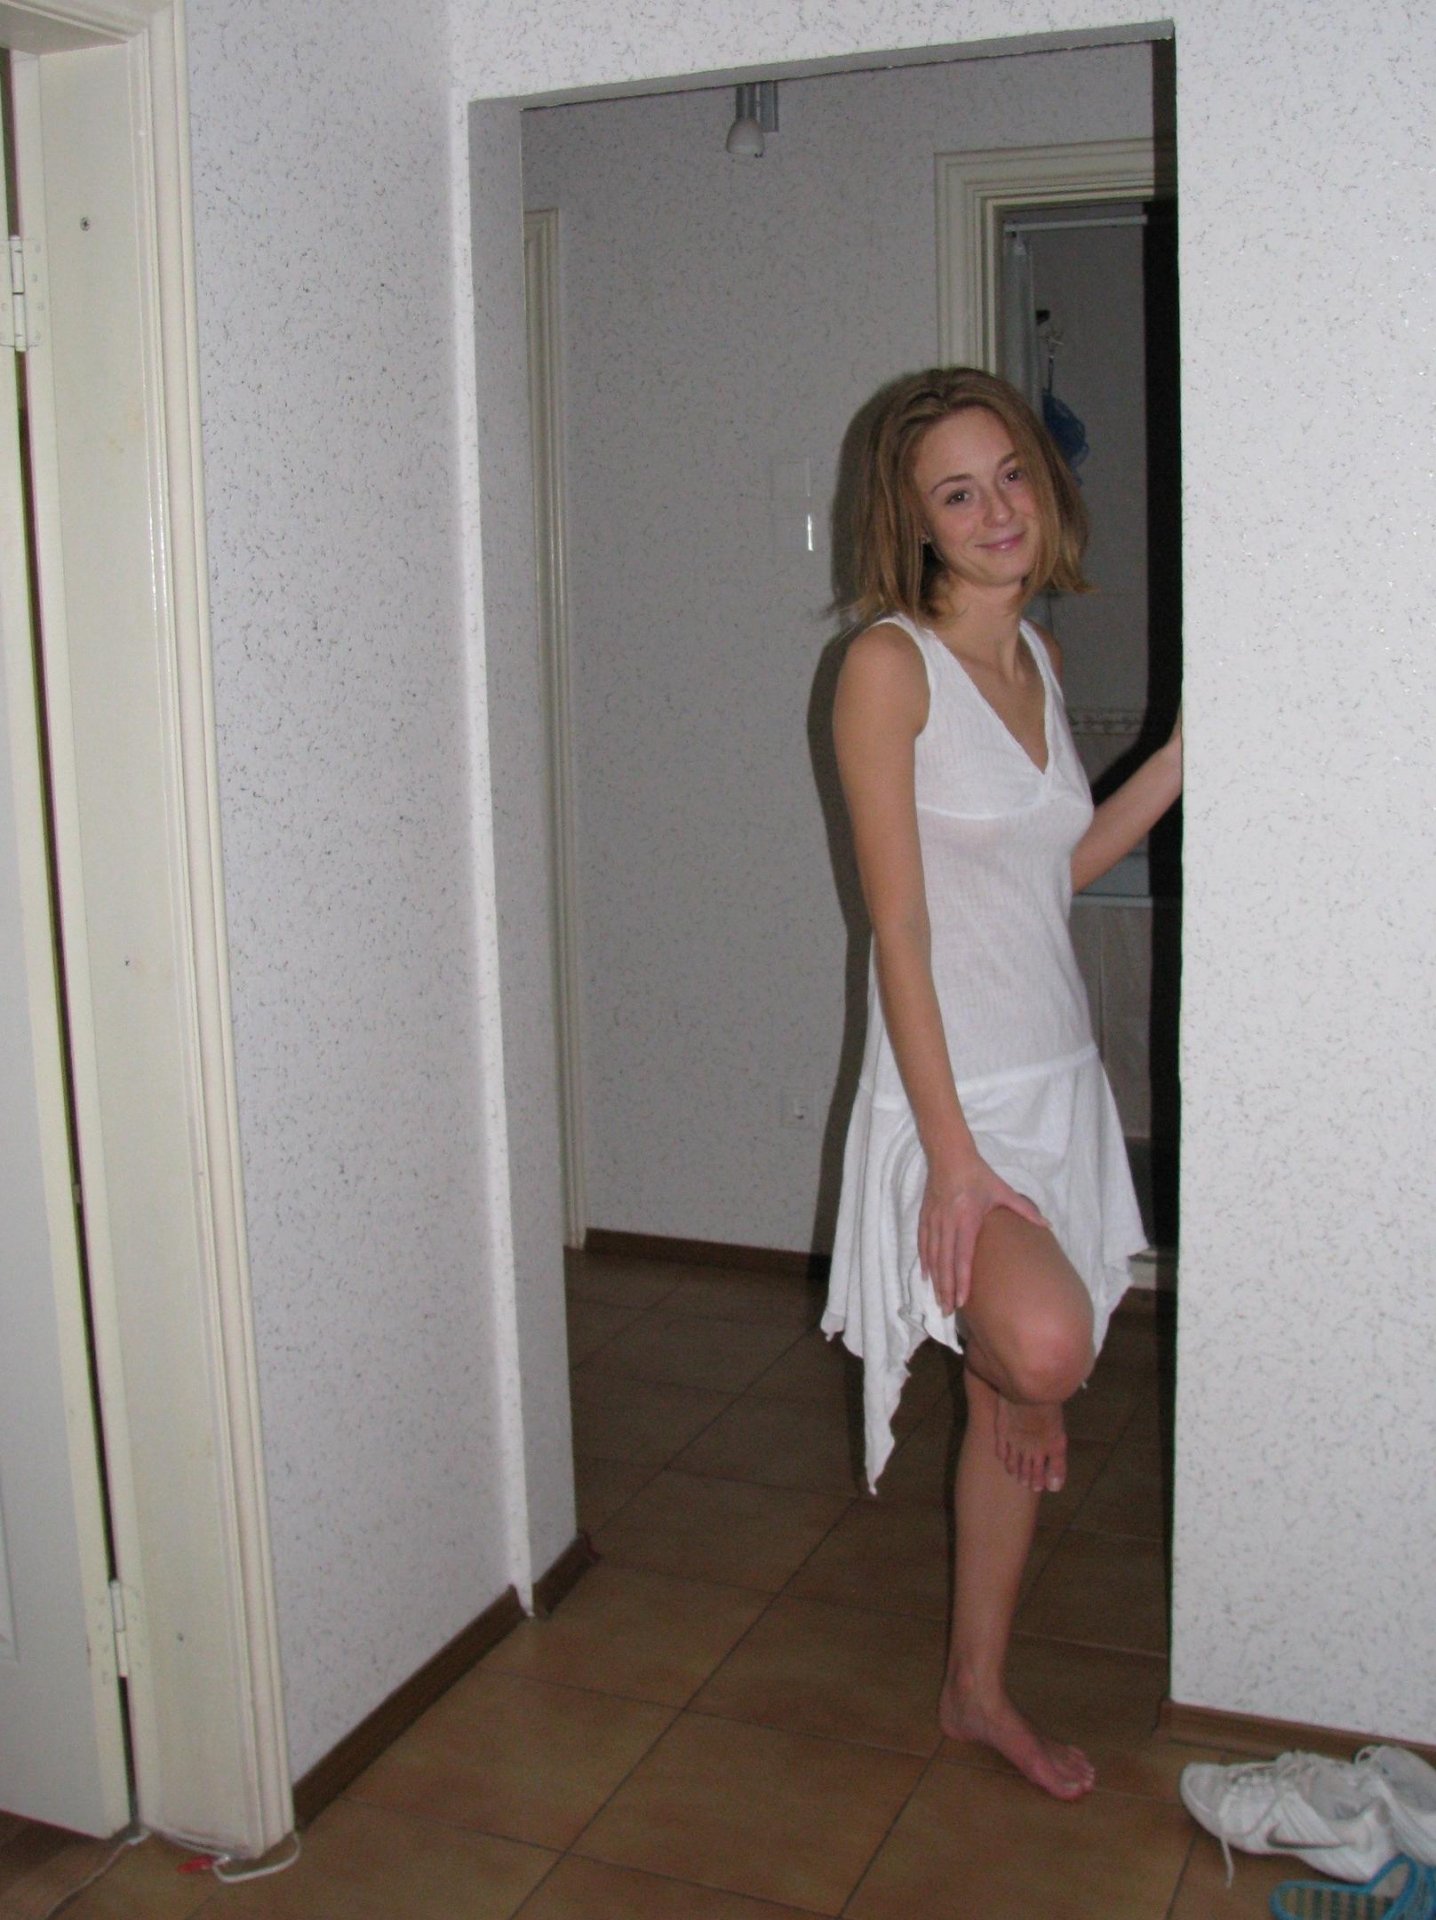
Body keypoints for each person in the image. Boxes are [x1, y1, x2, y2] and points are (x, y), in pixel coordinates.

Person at [821, 366, 1182, 1801]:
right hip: (950, 1103)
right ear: (912, 522)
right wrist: (957, 1164)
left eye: (1012, 475)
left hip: (1057, 1081)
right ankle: (1013, 1377)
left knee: (1027, 1382)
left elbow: (1053, 871)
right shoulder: (887, 666)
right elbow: (900, 927)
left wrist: (1181, 757)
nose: (998, 512)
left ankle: (976, 1689)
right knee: (1038, 1351)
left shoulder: (1032, 655)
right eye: (957, 494)